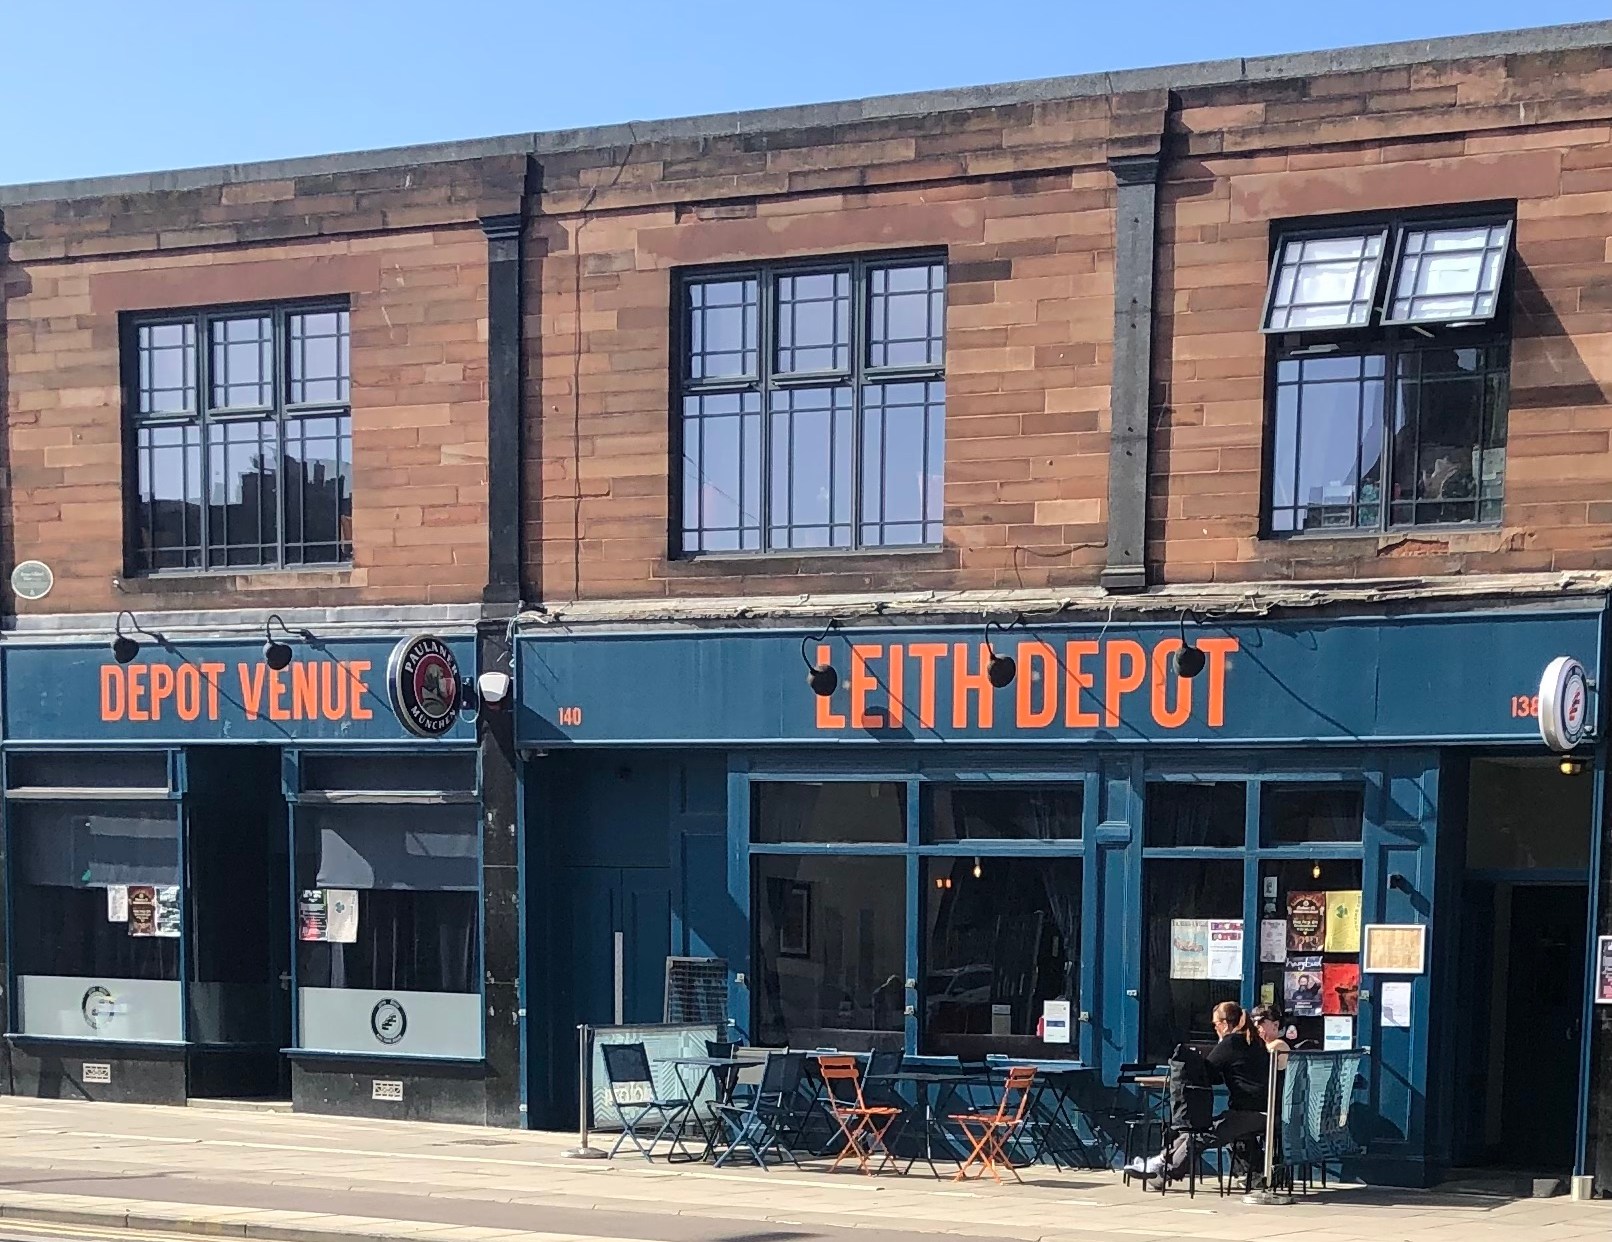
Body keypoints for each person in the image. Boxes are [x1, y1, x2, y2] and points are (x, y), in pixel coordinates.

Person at [1125, 1001, 1270, 1182]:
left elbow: (1204, 1072)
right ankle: (1158, 1163)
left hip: (1252, 1113)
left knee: (1202, 1133)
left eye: (1215, 1024)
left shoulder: (1231, 1042)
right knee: (1197, 1130)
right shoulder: (1253, 1041)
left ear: (1225, 1024)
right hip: (1262, 1112)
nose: (1215, 1028)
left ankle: (1163, 1170)